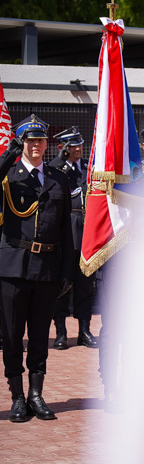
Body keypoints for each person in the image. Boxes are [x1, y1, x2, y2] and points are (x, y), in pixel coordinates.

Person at [0, 115, 74, 422]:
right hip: (13, 267)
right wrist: (8, 155)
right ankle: (17, 396)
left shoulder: (58, 178)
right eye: (29, 141)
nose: (36, 146)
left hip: (46, 267)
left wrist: (68, 271)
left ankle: (36, 394)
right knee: (13, 335)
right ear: (22, 144)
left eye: (40, 141)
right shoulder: (9, 176)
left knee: (40, 336)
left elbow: (66, 230)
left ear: (47, 144)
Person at [47, 127, 97, 349]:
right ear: (62, 148)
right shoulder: (54, 169)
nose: (78, 148)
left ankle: (84, 331)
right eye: (73, 145)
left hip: (87, 232)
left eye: (79, 144)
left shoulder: (88, 167)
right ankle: (60, 332)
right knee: (62, 284)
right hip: (66, 232)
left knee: (85, 284)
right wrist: (62, 163)